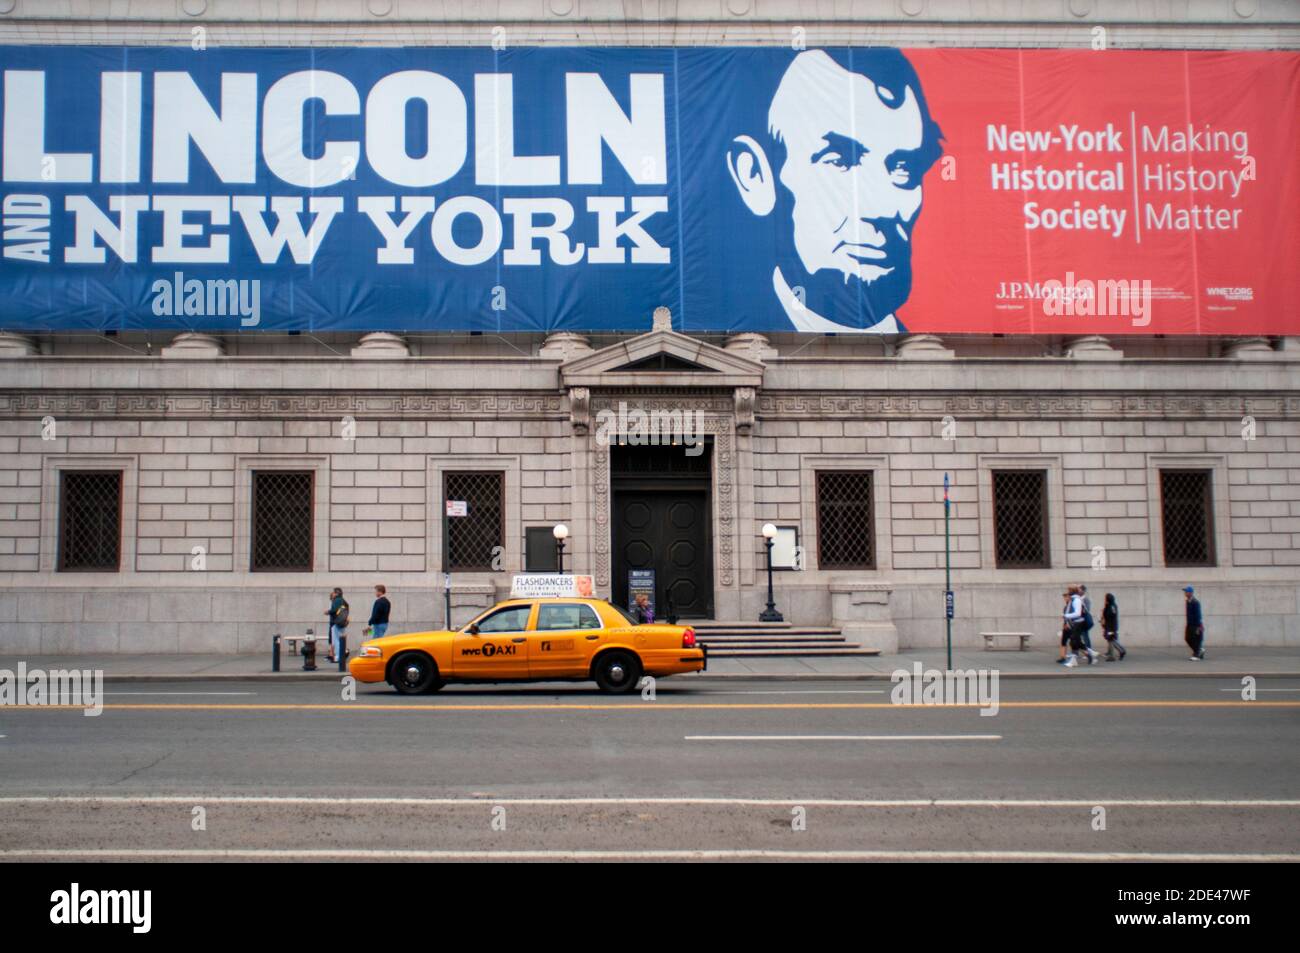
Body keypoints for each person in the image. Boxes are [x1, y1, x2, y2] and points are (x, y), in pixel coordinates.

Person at [725, 49, 944, 333]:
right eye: (840, 160)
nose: (882, 209)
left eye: (904, 169)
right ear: (754, 175)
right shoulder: (732, 318)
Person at [325, 587, 349, 663]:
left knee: (336, 640)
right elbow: (346, 608)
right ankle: (342, 654)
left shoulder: (336, 600)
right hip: (342, 622)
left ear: (336, 593)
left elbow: (334, 610)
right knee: (340, 639)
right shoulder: (343, 600)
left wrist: (328, 611)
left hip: (336, 622)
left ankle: (339, 656)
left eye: (334, 592)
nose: (333, 594)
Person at [1102, 593, 1126, 661]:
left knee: (1111, 639)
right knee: (1111, 639)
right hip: (1110, 626)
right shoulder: (1112, 605)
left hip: (1110, 626)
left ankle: (1113, 655)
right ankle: (1120, 651)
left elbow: (1109, 615)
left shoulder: (1111, 606)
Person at [1184, 586, 1206, 661]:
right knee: (1187, 638)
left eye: (1186, 592)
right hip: (1189, 623)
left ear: (1190, 593)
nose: (1185, 593)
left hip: (1195, 624)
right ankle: (1199, 650)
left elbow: (1198, 614)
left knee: (1195, 639)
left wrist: (1199, 625)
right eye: (1185, 592)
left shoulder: (1195, 602)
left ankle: (1197, 654)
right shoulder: (1187, 601)